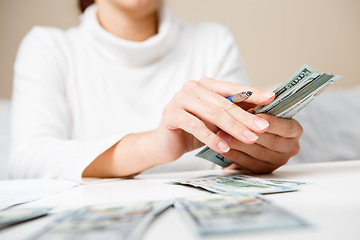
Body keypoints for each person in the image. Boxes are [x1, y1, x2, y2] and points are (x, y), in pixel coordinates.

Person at [8, 0, 303, 182]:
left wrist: (257, 155)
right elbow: (27, 159)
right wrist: (156, 146)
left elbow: (232, 163)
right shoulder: (48, 47)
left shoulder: (212, 40)